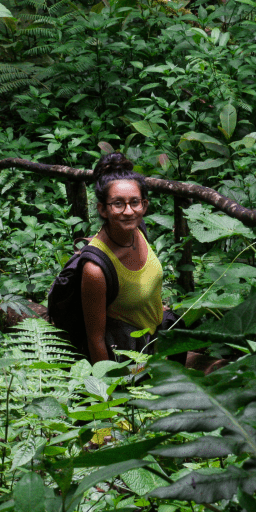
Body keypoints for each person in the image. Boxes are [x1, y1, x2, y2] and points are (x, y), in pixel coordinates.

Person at [81, 153, 164, 363]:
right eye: (118, 204)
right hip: (125, 354)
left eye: (134, 202)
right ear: (103, 209)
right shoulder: (95, 269)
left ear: (144, 205)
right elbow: (95, 339)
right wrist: (108, 389)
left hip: (155, 340)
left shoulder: (138, 230)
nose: (128, 211)